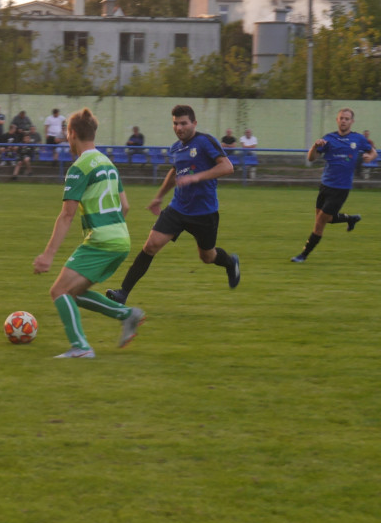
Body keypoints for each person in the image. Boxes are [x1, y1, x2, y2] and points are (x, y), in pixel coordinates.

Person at [33, 107, 145, 359]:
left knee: (59, 291)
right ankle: (128, 315)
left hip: (102, 241)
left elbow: (67, 215)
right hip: (121, 239)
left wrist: (48, 255)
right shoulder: (109, 164)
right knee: (74, 292)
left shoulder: (79, 167)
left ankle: (81, 347)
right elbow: (125, 206)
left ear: (72, 134)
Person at [104, 104, 240, 305]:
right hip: (177, 209)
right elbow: (175, 172)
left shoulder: (205, 141)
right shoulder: (175, 148)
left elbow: (227, 167)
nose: (179, 128)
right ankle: (122, 293)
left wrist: (196, 178)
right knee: (150, 245)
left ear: (194, 123)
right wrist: (159, 196)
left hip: (204, 213)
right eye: (175, 124)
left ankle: (230, 263)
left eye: (183, 123)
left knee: (207, 256)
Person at [290, 107, 375, 263]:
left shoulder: (358, 139)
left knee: (320, 222)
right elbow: (311, 159)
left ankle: (303, 255)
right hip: (325, 185)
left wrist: (369, 157)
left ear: (352, 121)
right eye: (341, 118)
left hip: (341, 188)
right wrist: (315, 146)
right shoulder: (329, 138)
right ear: (337, 120)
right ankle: (351, 219)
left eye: (347, 118)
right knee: (325, 219)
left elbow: (373, 152)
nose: (343, 121)